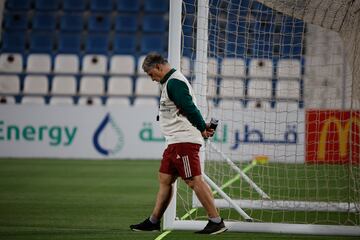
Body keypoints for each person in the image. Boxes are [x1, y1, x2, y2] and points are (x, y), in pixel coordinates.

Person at [130, 52, 227, 235]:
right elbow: (183, 108)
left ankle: (216, 221)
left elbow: (190, 107)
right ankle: (153, 221)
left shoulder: (174, 82)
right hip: (174, 141)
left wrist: (202, 128)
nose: (151, 79)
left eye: (151, 74)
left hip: (183, 140)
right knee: (165, 179)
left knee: (193, 180)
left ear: (159, 67)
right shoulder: (169, 83)